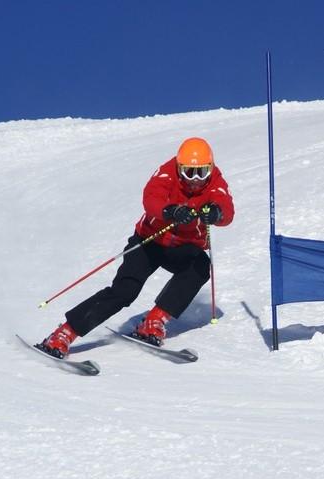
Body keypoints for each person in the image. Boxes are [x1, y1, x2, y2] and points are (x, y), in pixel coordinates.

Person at [37, 137, 234, 357]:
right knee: (125, 291)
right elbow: (151, 198)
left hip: (182, 247)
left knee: (200, 266)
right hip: (149, 242)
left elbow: (226, 207)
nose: (195, 180)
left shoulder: (215, 181)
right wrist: (170, 211)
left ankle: (154, 321)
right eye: (189, 172)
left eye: (202, 172)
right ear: (179, 168)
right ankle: (64, 333)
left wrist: (217, 212)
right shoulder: (167, 173)